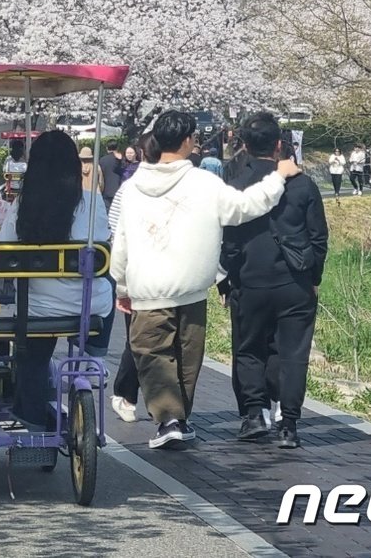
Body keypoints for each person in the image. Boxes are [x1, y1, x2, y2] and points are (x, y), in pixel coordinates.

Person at [111, 110, 303, 449]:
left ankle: (169, 419)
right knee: (188, 357)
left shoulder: (131, 189)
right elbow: (245, 207)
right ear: (187, 141)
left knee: (152, 355)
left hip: (148, 289)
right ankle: (177, 419)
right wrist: (279, 176)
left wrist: (122, 286)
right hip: (193, 288)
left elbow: (121, 243)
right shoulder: (204, 182)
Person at [221, 113, 328, 449]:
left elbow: (229, 241)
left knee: (249, 348)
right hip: (294, 281)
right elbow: (318, 237)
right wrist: (314, 277)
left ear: (244, 145)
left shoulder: (236, 186)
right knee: (293, 352)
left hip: (250, 281)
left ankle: (254, 414)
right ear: (280, 144)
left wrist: (227, 280)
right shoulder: (303, 184)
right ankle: (289, 424)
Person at [0, 131, 113, 427]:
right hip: (89, 307)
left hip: (37, 311)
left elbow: (2, 249)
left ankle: (30, 417)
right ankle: (95, 353)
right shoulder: (93, 202)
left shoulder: (25, 204)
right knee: (109, 283)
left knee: (32, 359)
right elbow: (102, 242)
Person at [109, 133, 157, 424]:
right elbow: (116, 234)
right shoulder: (130, 189)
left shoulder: (190, 186)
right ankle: (126, 394)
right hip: (138, 275)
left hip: (170, 275)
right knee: (138, 340)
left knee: (160, 342)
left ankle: (163, 406)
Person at [2, 137, 28, 201]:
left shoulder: (8, 160)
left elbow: (5, 172)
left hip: (11, 188)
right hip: (21, 189)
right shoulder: (24, 162)